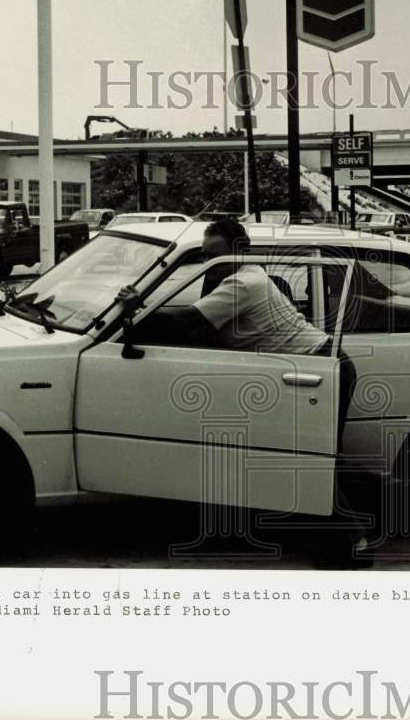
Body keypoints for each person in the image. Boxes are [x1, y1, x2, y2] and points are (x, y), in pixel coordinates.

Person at [116, 218, 369, 565]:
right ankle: (242, 532)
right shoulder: (236, 278)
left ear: (242, 250)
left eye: (217, 256)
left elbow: (189, 323)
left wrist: (137, 309)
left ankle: (354, 543)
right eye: (207, 258)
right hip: (305, 367)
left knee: (317, 460)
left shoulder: (244, 283)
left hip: (319, 366)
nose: (212, 265)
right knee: (268, 452)